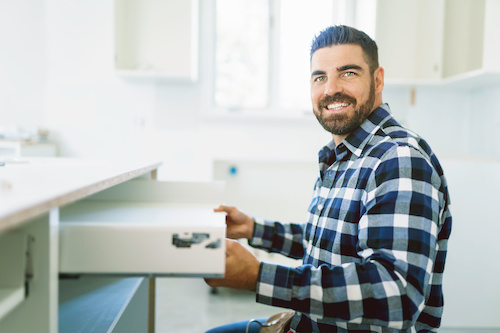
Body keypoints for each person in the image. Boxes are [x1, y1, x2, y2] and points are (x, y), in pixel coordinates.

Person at [205, 25, 452, 333]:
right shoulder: (340, 156)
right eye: (319, 77)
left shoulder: (399, 159)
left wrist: (258, 276)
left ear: (378, 80)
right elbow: (331, 245)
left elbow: (397, 294)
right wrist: (254, 229)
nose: (330, 89)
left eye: (348, 73)